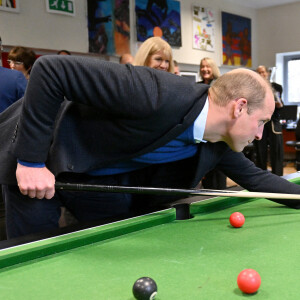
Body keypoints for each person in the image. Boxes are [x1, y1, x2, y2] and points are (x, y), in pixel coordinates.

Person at [2, 55, 300, 239]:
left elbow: (261, 181)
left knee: (109, 244)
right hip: (42, 158)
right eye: (261, 122)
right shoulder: (156, 93)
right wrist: (31, 161)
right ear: (239, 107)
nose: (261, 135)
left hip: (96, 176)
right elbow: (51, 71)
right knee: (37, 244)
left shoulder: (217, 143)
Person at [197, 57, 226, 189]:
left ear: (213, 68)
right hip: (202, 133)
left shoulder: (221, 85)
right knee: (206, 169)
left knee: (219, 170)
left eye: (208, 66)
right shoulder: (197, 86)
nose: (204, 69)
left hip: (218, 132)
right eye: (202, 66)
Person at [254, 65, 284, 176]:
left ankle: (278, 177)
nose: (261, 75)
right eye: (259, 72)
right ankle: (261, 177)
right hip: (259, 122)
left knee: (276, 151)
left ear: (268, 73)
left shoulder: (277, 87)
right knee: (260, 152)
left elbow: (280, 104)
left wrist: (278, 103)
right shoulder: (253, 88)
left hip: (273, 122)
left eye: (263, 72)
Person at [0, 39, 27, 112]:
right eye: (10, 62)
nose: (12, 66)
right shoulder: (15, 78)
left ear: (29, 66)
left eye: (17, 63)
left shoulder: (16, 78)